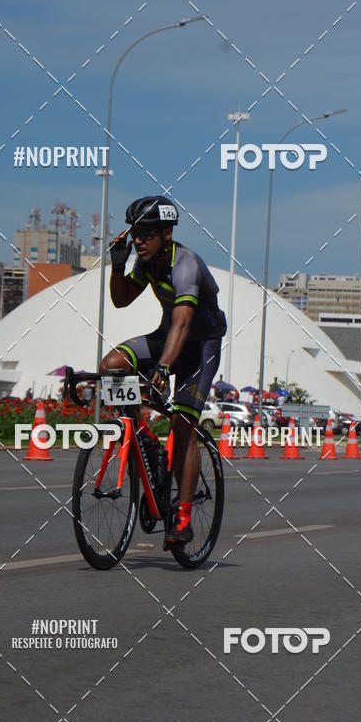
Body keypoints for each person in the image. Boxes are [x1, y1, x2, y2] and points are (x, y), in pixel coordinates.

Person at [100, 195, 227, 545]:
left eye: (147, 233)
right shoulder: (147, 262)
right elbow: (121, 300)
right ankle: (142, 435)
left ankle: (183, 517)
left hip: (199, 346)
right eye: (135, 232)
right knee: (111, 365)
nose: (139, 240)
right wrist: (117, 267)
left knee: (183, 425)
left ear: (167, 233)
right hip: (167, 335)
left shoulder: (186, 264)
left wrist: (163, 367)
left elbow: (183, 323)